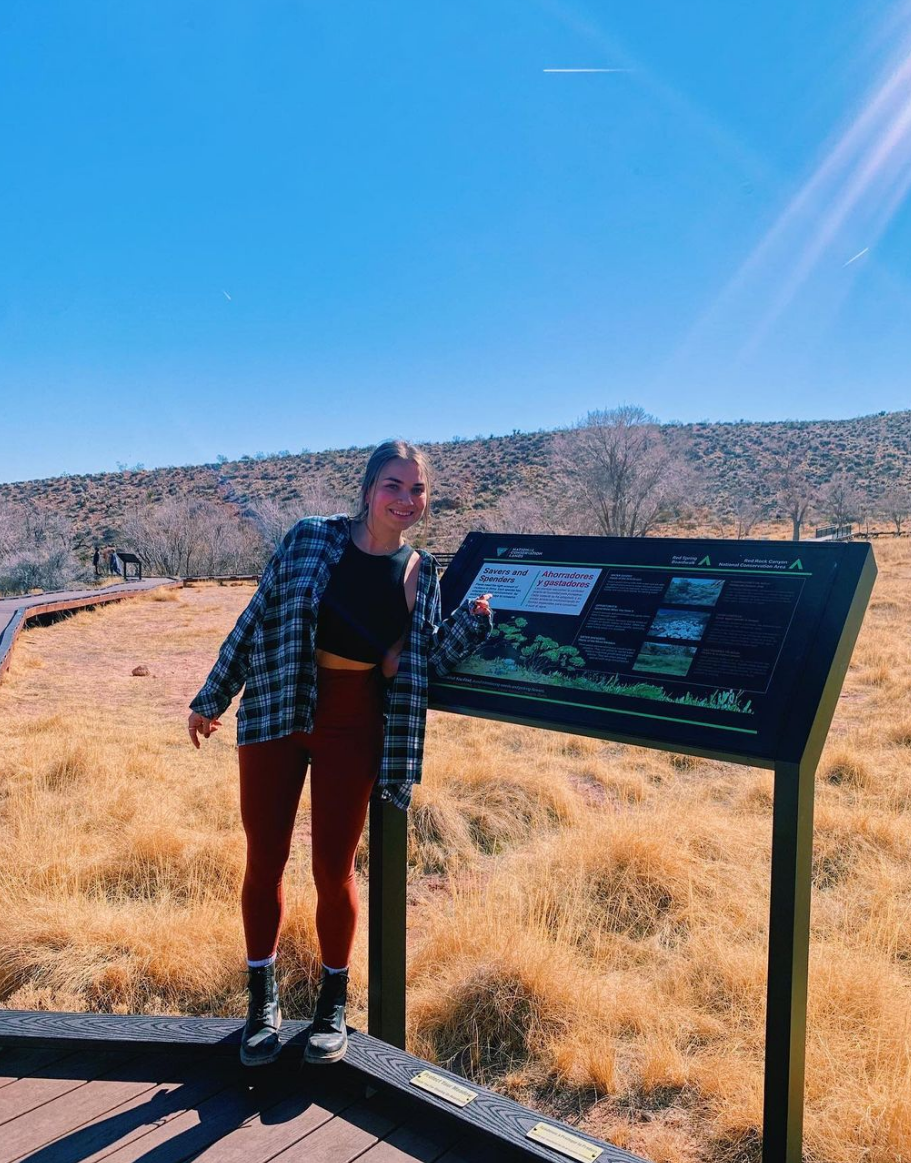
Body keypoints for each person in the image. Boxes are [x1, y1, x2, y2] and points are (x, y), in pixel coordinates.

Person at [187, 439, 493, 1067]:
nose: (405, 499)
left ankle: (333, 1004)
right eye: (393, 485)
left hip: (353, 721)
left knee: (333, 867)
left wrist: (474, 623)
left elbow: (423, 655)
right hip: (278, 706)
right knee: (264, 858)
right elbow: (258, 613)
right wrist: (214, 695)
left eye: (417, 489)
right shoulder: (309, 538)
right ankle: (261, 1003)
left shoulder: (419, 571)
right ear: (367, 489)